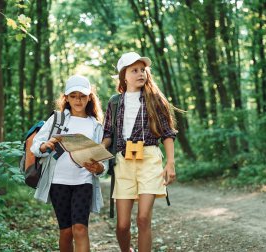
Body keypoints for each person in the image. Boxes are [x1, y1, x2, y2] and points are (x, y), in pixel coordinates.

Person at [102, 52, 177, 252]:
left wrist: (170, 163)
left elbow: (167, 133)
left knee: (143, 219)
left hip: (149, 158)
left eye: (143, 70)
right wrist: (97, 152)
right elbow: (108, 133)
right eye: (134, 70)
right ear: (123, 76)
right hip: (123, 161)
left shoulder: (155, 100)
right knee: (122, 225)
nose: (140, 73)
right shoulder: (115, 102)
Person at [30, 75, 107, 252]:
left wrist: (99, 167)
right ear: (66, 98)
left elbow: (102, 161)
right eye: (73, 96)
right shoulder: (57, 120)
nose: (78, 100)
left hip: (84, 181)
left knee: (80, 229)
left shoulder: (95, 125)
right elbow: (36, 144)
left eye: (82, 96)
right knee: (66, 232)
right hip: (58, 182)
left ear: (90, 97)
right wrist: (43, 146)